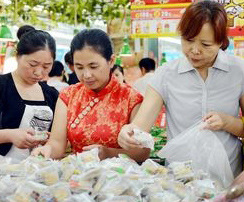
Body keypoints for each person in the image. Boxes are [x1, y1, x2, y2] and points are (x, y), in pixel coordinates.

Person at [118, 1, 244, 178]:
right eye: (188, 40)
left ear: (221, 42)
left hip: (229, 178)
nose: (194, 51)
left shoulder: (239, 71)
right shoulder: (166, 74)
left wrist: (227, 122)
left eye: (206, 45)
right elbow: (140, 127)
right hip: (180, 180)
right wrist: (128, 133)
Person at [32, 29, 149, 162]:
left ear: (111, 61)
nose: (86, 75)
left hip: (120, 177)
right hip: (77, 176)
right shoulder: (68, 95)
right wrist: (47, 150)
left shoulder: (131, 98)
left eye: (93, 66)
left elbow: (142, 152)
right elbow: (57, 143)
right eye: (79, 67)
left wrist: (108, 153)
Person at [0, 28, 59, 162]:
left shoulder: (51, 94)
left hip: (36, 171)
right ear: (17, 56)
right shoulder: (2, 86)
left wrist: (50, 142)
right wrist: (9, 135)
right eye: (33, 64)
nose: (38, 73)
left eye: (46, 66)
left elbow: (59, 138)